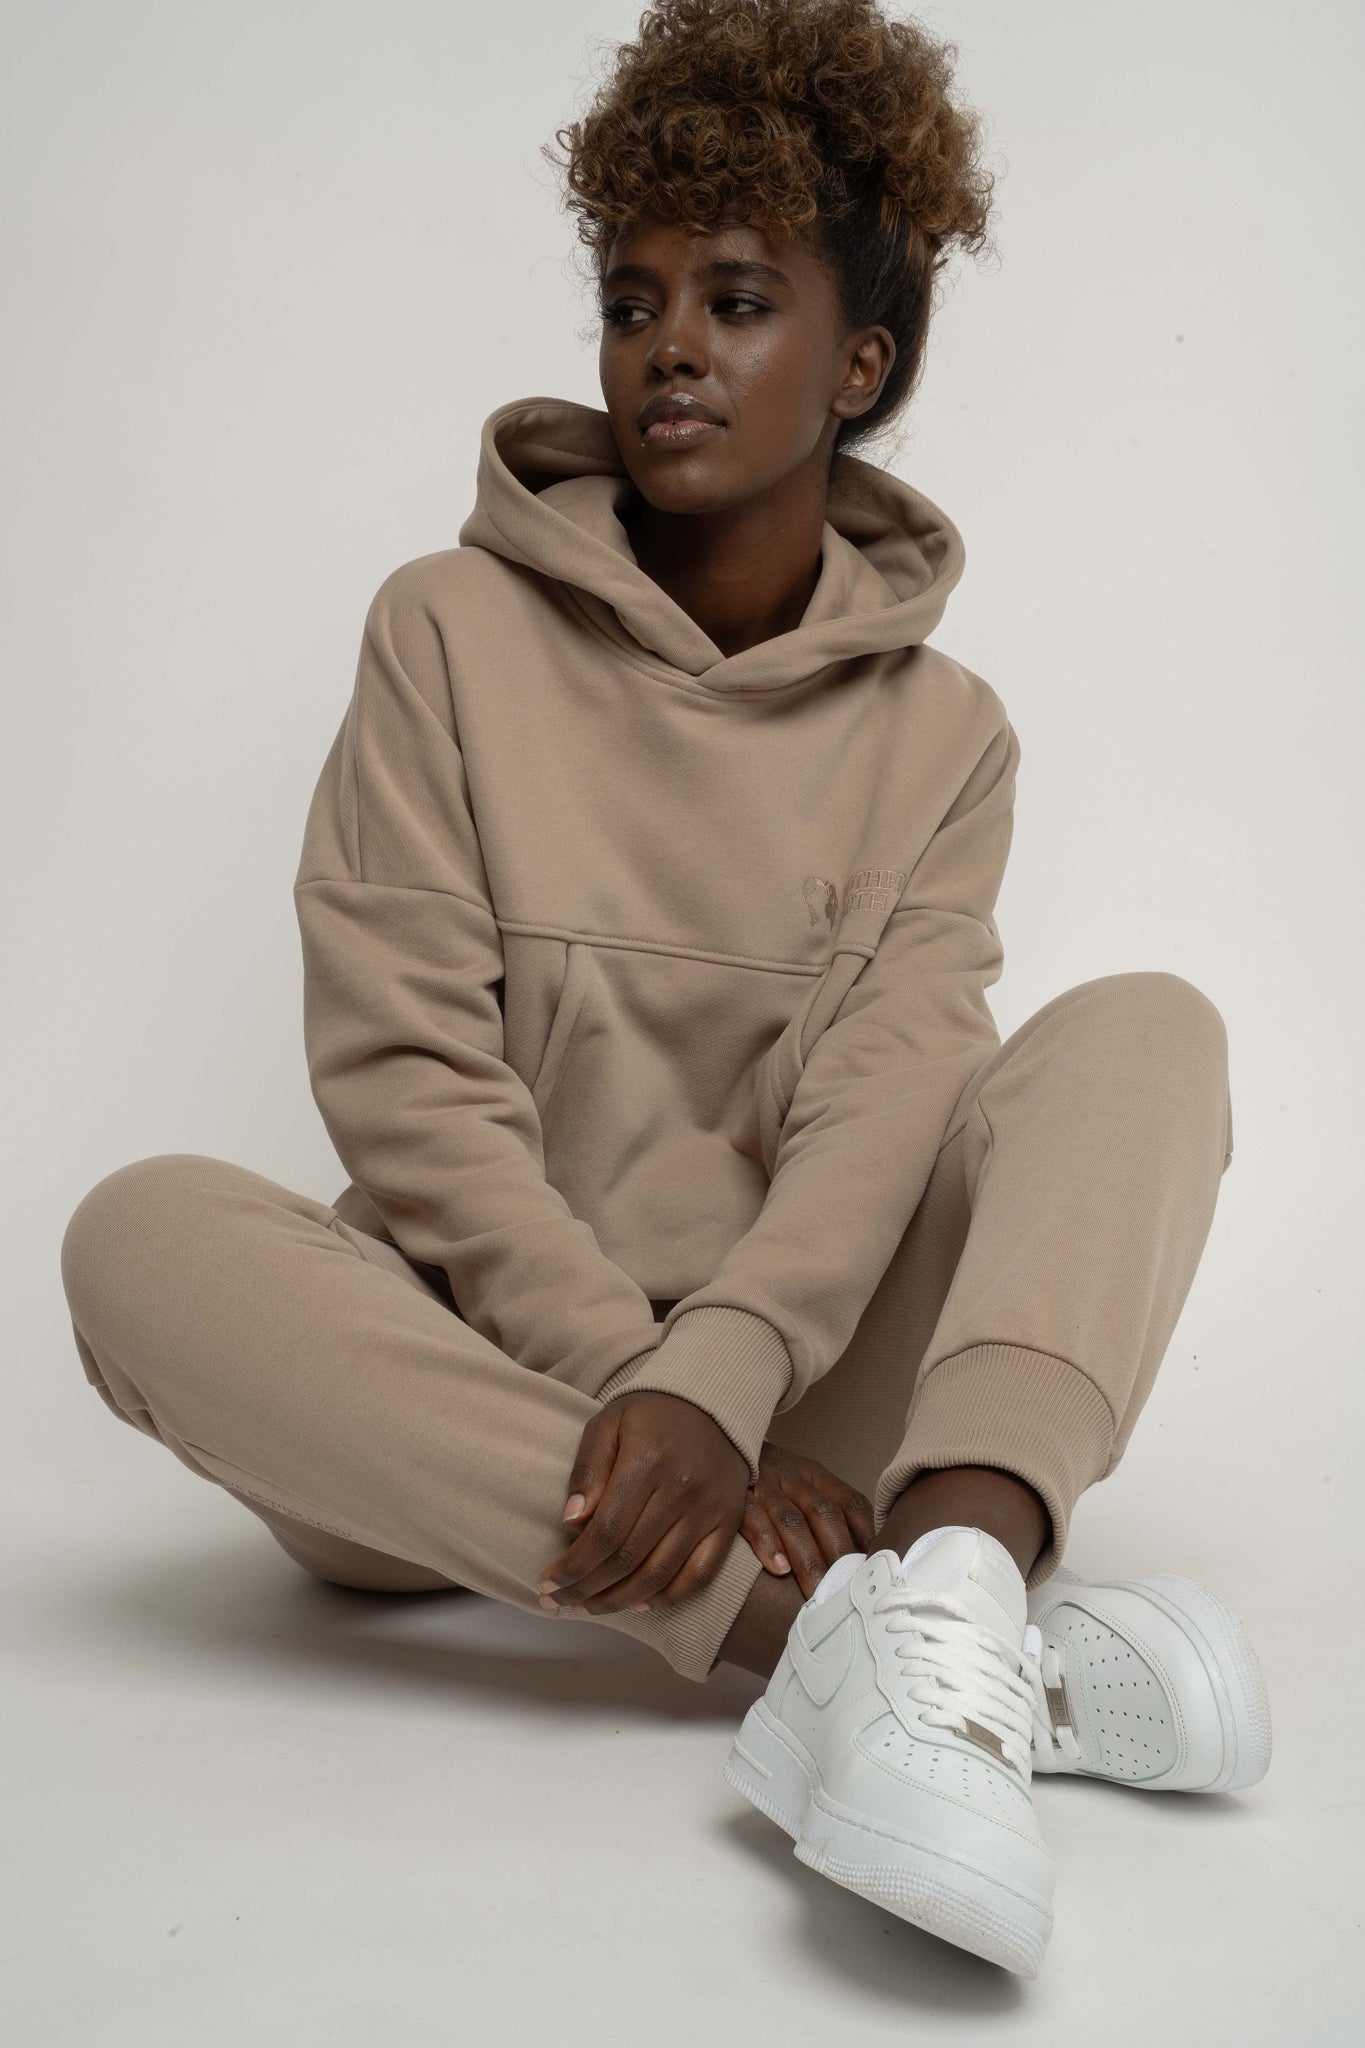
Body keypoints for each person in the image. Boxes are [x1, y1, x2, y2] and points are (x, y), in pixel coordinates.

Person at [58, 0, 1270, 1983]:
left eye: (735, 299)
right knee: (135, 1238)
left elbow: (888, 1098)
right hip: (483, 1418)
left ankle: (959, 1562)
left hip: (804, 1406)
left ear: (860, 361)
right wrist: (644, 1387)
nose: (666, 349)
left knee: (1148, 1028)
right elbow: (408, 1076)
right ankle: (877, 1644)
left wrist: (727, 1376)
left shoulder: (945, 734)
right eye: (631, 303)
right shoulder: (442, 631)